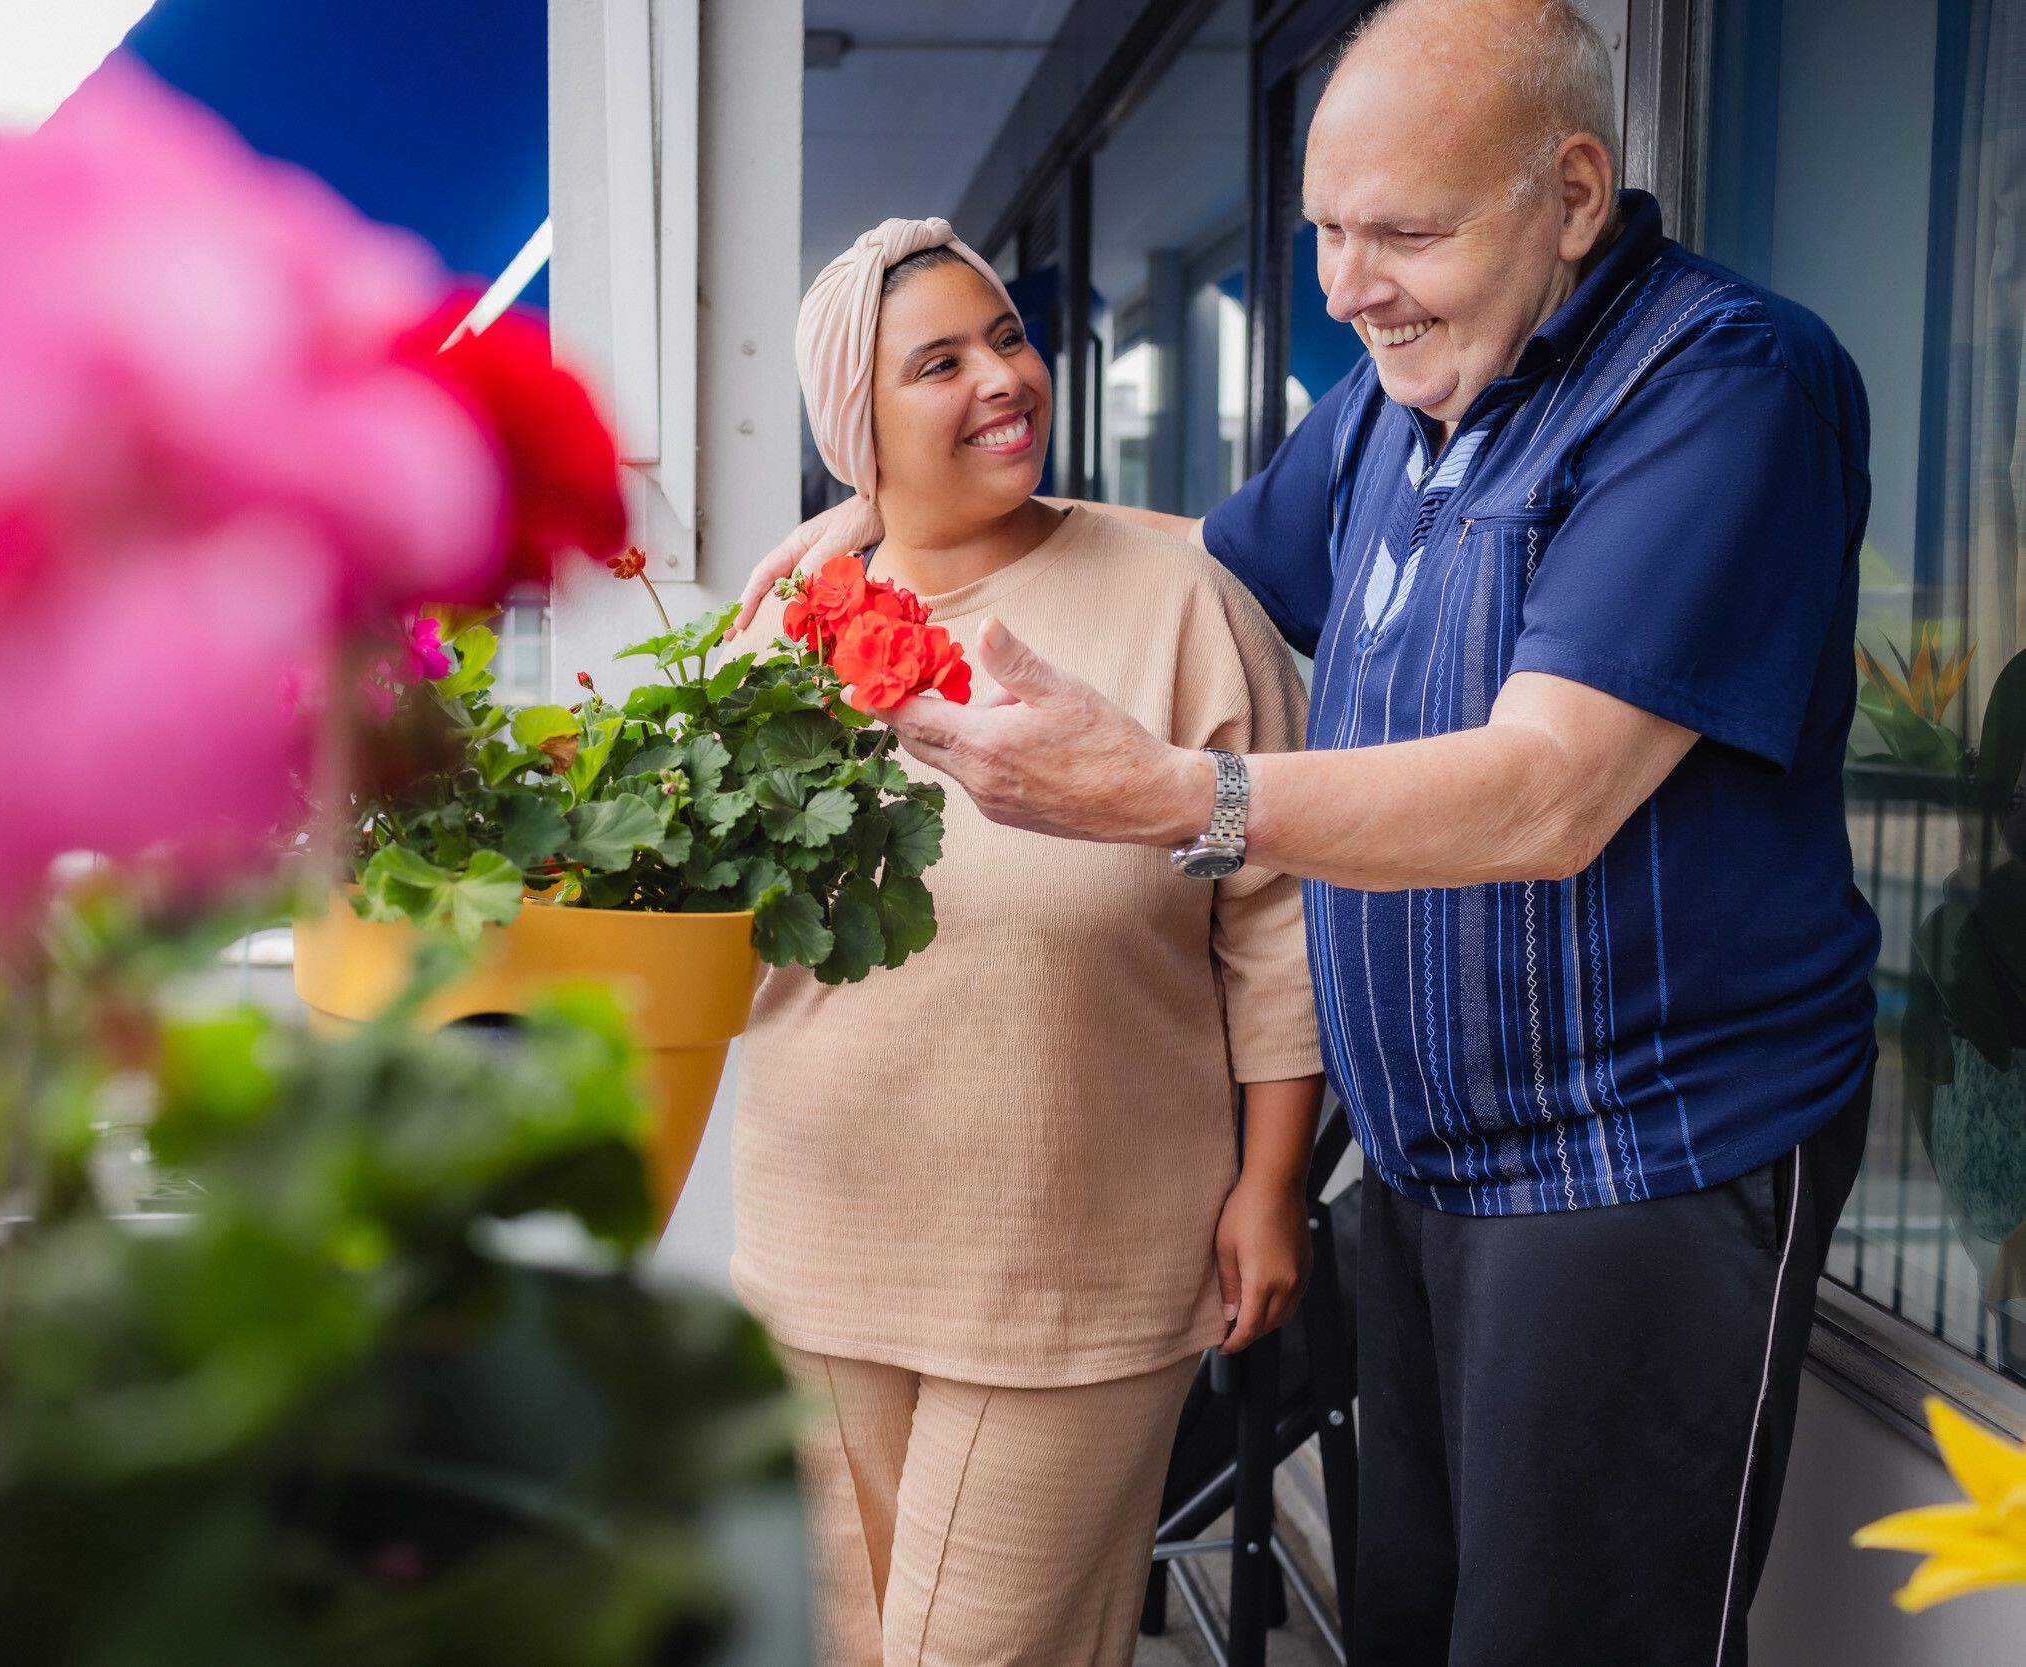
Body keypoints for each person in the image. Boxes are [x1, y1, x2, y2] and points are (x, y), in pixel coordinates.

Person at [731, 3, 1880, 1663]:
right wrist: (884, 511)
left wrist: (1178, 796)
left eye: (1401, 232)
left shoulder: (1718, 390)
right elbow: (1191, 549)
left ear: (1570, 193)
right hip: (1423, 1168)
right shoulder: (1404, 402)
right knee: (1409, 1627)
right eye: (1327, 233)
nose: (1346, 289)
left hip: (1633, 1160)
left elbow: (1551, 788)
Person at [730, 216, 1326, 1667]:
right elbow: (720, 925)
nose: (1003, 378)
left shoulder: (1182, 599)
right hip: (823, 1237)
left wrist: (1269, 1184)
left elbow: (1281, 918)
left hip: (1080, 1249)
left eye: (1006, 337)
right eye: (939, 361)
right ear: (853, 426)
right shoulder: (784, 630)